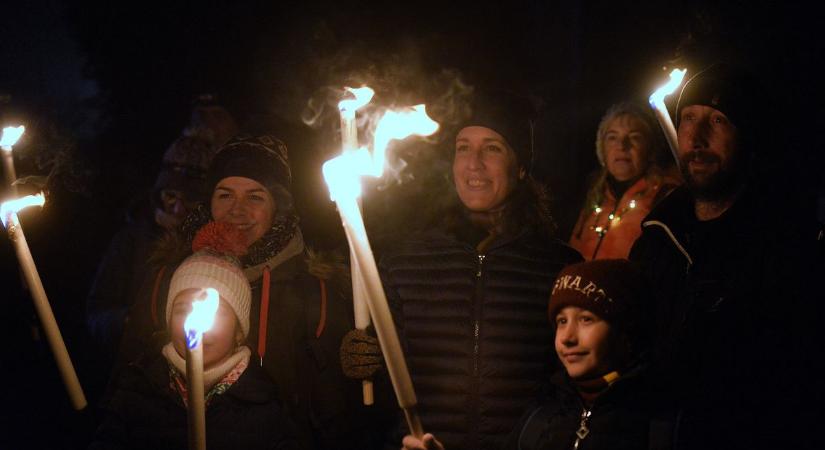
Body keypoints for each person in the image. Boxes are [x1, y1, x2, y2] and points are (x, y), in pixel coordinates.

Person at [353, 91, 583, 450]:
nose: (473, 163)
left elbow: (571, 384)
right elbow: (381, 391)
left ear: (520, 166)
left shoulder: (558, 267)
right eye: (463, 147)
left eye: (492, 148)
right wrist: (361, 365)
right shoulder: (404, 262)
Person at [117, 134, 372, 450]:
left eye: (255, 197)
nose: (237, 210)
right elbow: (128, 379)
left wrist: (365, 374)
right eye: (225, 195)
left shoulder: (313, 293)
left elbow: (342, 417)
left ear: (276, 208)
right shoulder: (169, 280)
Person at [628, 63, 820, 449]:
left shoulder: (786, 247)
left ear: (748, 136)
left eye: (717, 120)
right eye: (687, 119)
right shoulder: (655, 240)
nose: (696, 137)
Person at [402, 259, 675, 450]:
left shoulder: (660, 425)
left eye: (587, 319)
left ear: (624, 330)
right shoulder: (542, 414)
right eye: (561, 321)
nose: (568, 338)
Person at [90, 223, 300, 449]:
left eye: (215, 312)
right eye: (182, 309)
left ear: (239, 332)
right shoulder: (139, 386)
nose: (196, 326)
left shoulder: (263, 400)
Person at [87, 133, 217, 364]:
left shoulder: (214, 248)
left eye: (191, 199)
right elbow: (97, 313)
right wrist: (126, 322)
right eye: (170, 196)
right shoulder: (131, 240)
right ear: (157, 194)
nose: (178, 208)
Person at [569, 102, 679, 260]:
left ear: (650, 148)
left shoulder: (665, 198)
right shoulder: (594, 198)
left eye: (635, 137)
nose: (622, 146)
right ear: (602, 149)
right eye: (612, 137)